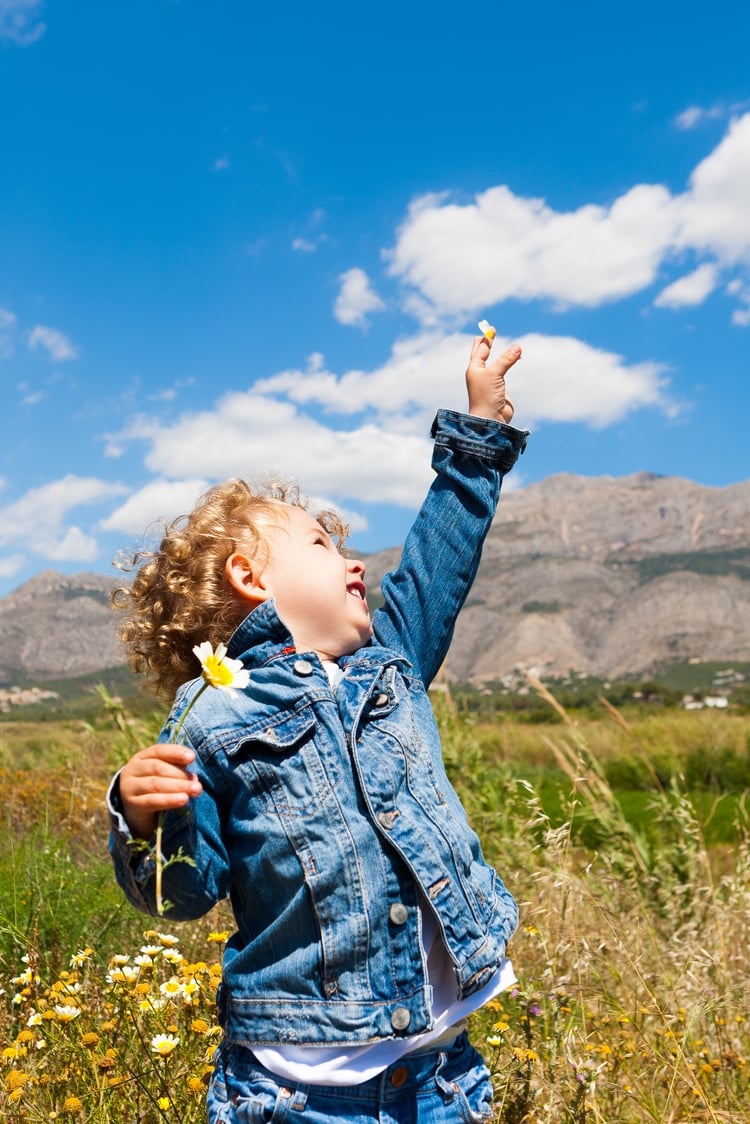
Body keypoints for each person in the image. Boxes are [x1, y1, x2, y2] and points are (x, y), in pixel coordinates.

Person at [108, 330, 528, 1122]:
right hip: (294, 1091)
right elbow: (184, 894)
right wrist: (140, 816)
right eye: (322, 543)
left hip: (440, 1077)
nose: (354, 561)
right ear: (250, 577)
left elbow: (440, 556)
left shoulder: (390, 659)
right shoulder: (213, 716)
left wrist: (480, 425)